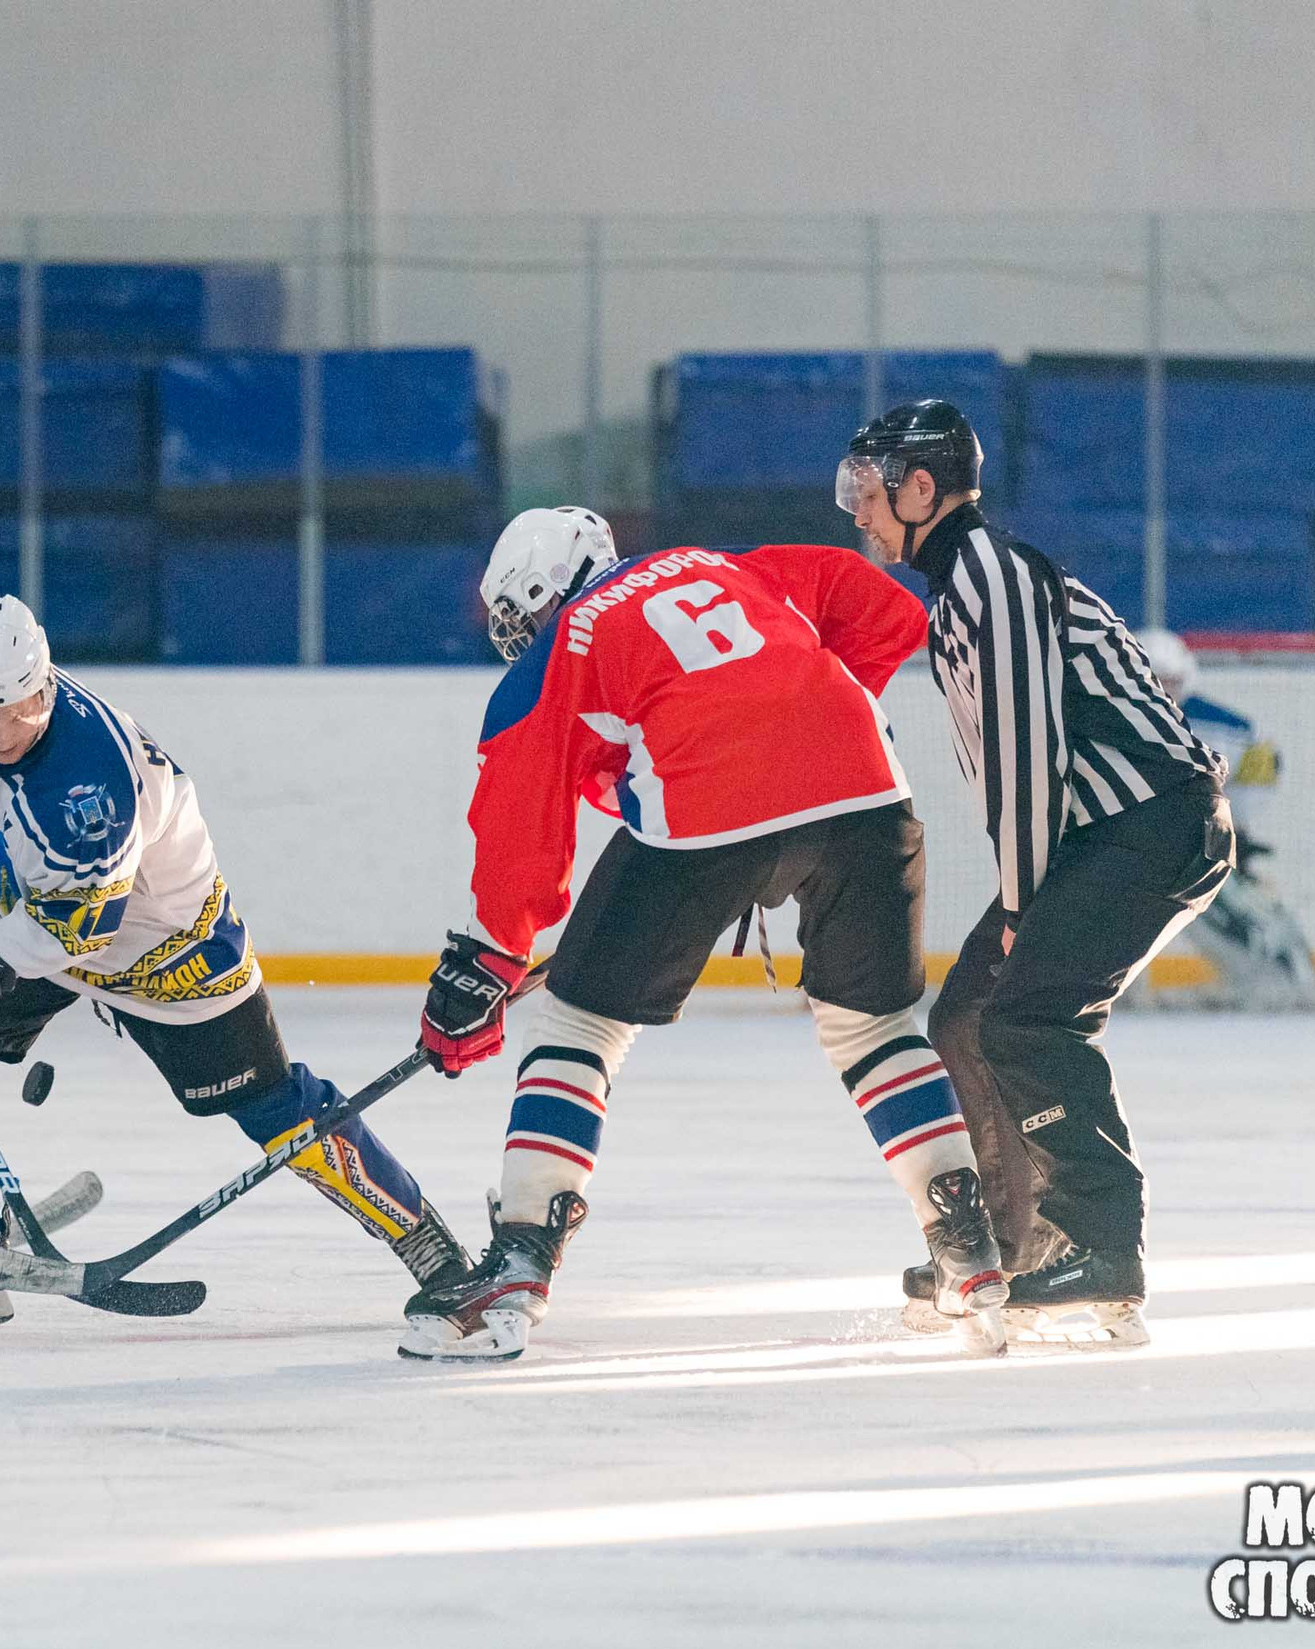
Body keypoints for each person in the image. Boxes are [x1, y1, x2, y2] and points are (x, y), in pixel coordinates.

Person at [0, 593, 471, 1326]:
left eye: (21, 711)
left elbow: (76, 928)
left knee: (270, 1102)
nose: (4, 732)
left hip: (165, 943)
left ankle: (428, 1243)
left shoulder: (88, 784)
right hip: (32, 905)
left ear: (44, 682)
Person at [400, 506, 1009, 1363]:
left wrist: (485, 960)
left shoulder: (568, 638)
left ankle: (522, 1254)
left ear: (548, 588)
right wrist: (800, 729)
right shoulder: (727, 563)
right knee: (872, 1026)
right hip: (870, 787)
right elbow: (889, 610)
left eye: (523, 615)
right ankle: (969, 1253)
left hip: (712, 811)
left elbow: (520, 824)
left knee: (579, 1023)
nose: (525, 636)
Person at [838, 401, 1234, 1348]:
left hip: (1147, 823)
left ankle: (1100, 1245)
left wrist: (1021, 904)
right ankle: (1008, 1249)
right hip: (1106, 832)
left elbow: (1025, 752)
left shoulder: (987, 574)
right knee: (967, 1016)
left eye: (869, 488)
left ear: (922, 489)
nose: (856, 509)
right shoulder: (966, 583)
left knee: (1027, 1016)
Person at [1136, 628, 1315, 1005]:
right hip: (1133, 857)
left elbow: (1259, 766)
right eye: (1156, 681)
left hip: (1194, 856)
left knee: (1243, 916)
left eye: (1171, 681)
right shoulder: (1109, 724)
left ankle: (1277, 982)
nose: (1165, 691)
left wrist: (1239, 828)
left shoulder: (1224, 729)